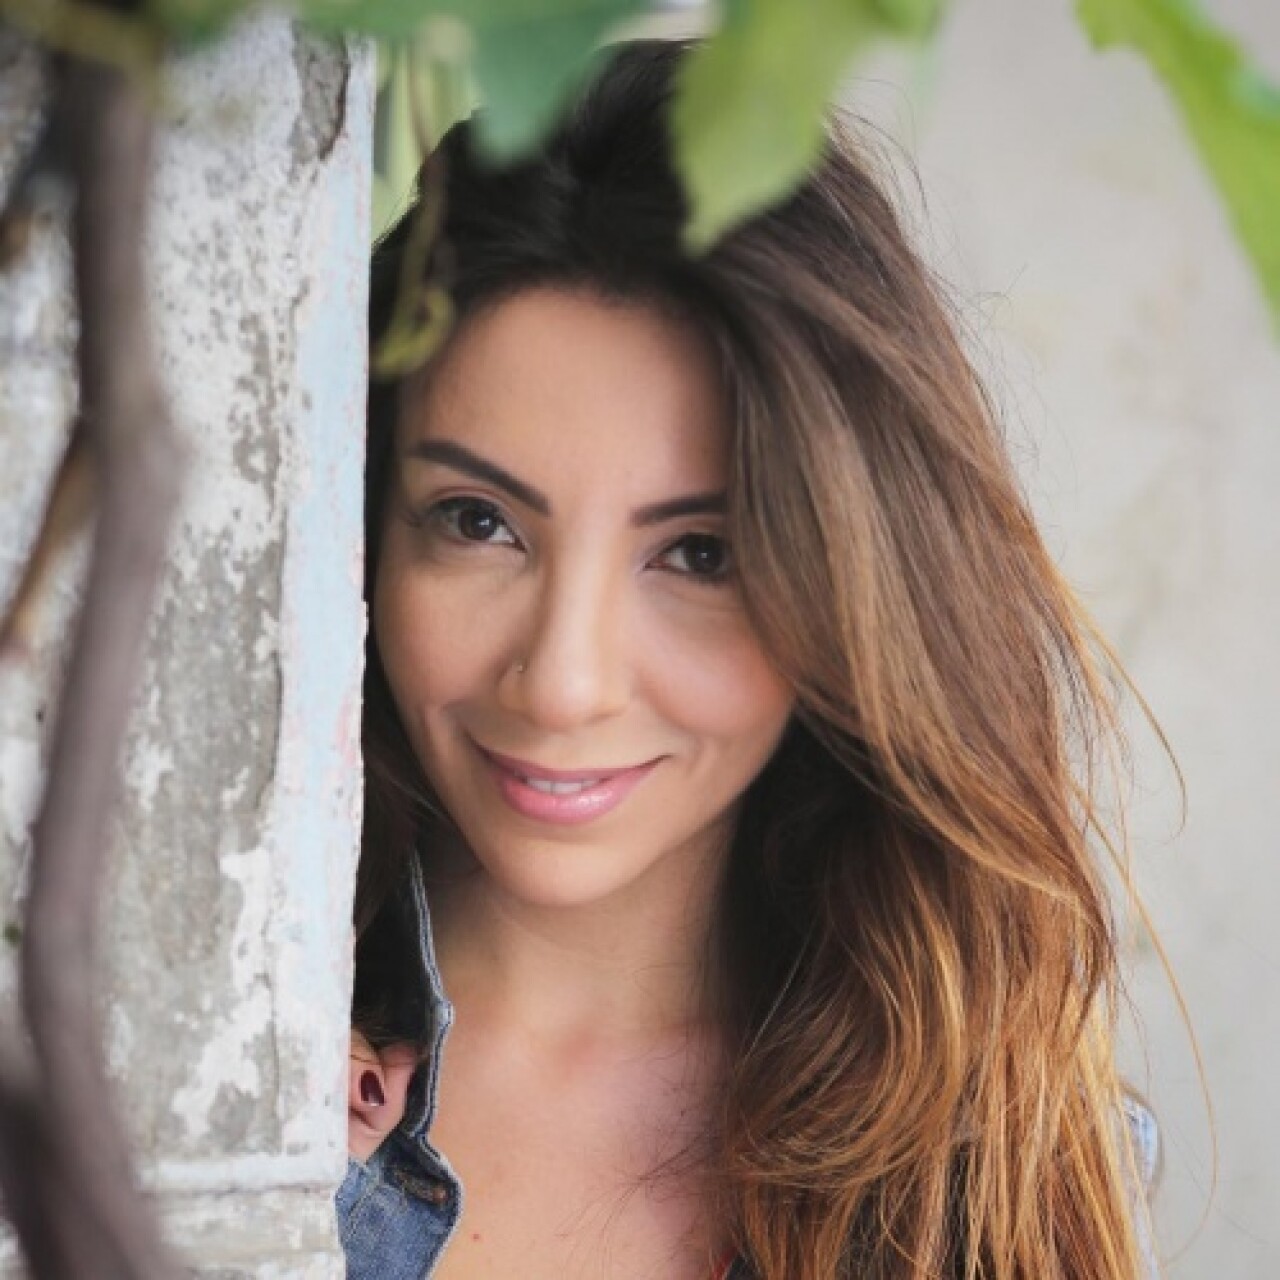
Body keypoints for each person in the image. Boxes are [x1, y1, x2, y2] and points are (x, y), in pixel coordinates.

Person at [335, 38, 1160, 1280]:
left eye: (699, 553)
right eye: (477, 520)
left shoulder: (990, 1167)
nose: (563, 683)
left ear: (849, 587)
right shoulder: (187, 1054)